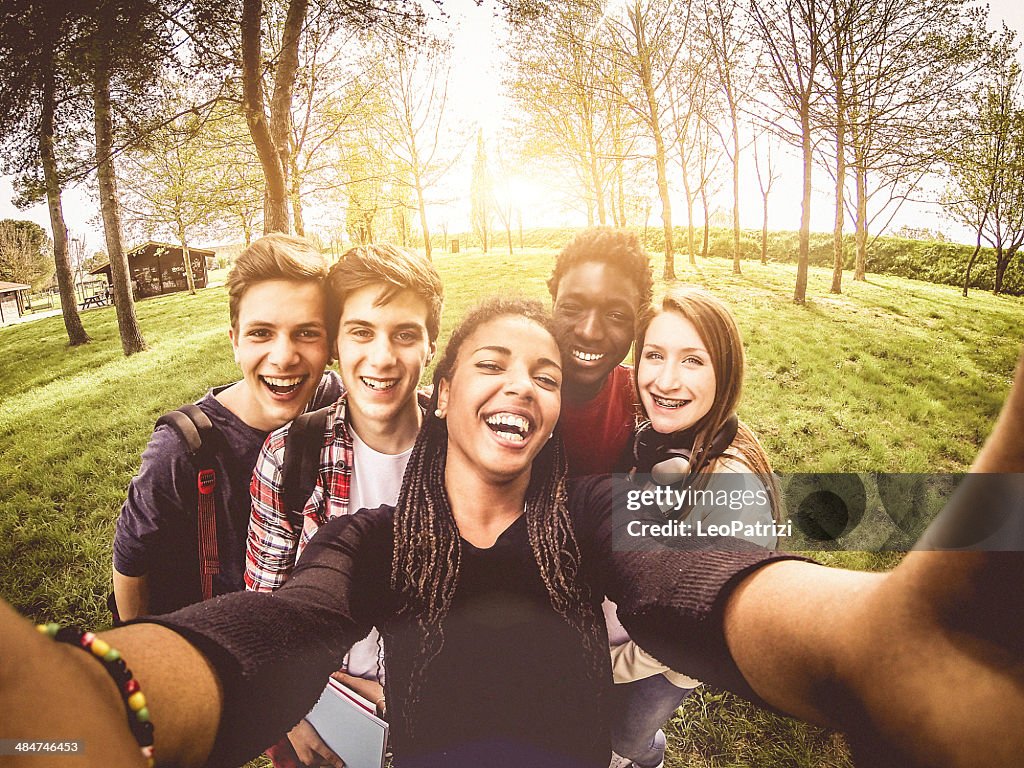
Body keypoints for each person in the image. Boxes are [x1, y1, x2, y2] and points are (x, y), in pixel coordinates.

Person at [7, 300, 1024, 768]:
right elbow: (282, 629)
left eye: (546, 376)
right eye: (494, 362)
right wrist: (112, 694)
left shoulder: (591, 513)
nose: (524, 386)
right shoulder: (368, 541)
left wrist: (862, 646)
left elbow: (697, 575)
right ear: (446, 392)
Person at [246, 243, 443, 767]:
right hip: (328, 717)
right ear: (336, 343)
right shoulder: (290, 454)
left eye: (405, 334)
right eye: (361, 332)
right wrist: (294, 715)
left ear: (430, 345)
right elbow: (264, 613)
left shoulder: (463, 449)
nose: (381, 358)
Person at [111, 234, 342, 621]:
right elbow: (132, 560)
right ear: (235, 343)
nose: (284, 357)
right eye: (261, 333)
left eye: (306, 332)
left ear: (331, 344)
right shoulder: (182, 449)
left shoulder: (338, 401)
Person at [608, 287, 781, 768]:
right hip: (626, 638)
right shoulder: (658, 443)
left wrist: (606, 666)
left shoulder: (731, 487)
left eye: (692, 361)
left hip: (659, 666)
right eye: (655, 355)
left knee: (625, 741)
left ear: (724, 374)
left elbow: (689, 635)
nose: (665, 379)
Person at [548, 227, 653, 477]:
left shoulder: (645, 398)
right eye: (572, 308)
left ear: (637, 324)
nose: (589, 332)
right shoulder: (510, 391)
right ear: (552, 305)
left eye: (616, 315)